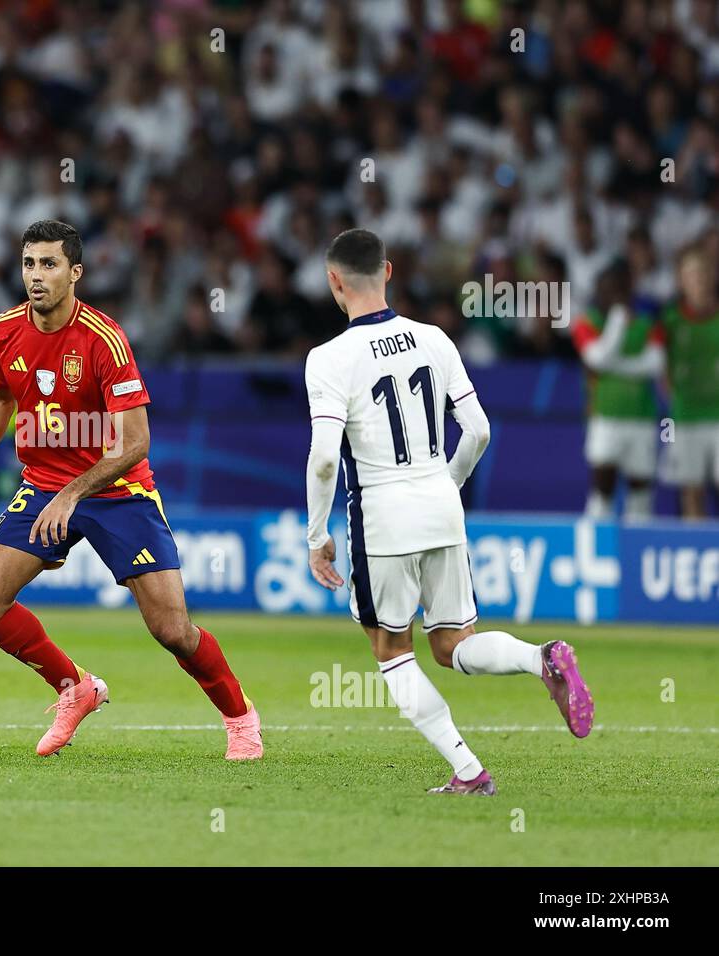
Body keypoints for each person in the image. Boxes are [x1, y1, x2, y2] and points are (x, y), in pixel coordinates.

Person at [0, 220, 262, 760]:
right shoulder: (3, 331)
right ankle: (76, 687)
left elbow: (137, 441)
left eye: (49, 264)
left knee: (171, 630)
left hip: (118, 491)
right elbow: (0, 399)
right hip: (43, 487)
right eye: (28, 263)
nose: (36, 276)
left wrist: (73, 495)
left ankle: (240, 717)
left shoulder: (103, 340)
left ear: (75, 272)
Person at [303, 229, 594, 795]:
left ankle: (469, 770)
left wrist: (317, 536)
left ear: (333, 282)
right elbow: (480, 429)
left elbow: (321, 460)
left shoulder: (329, 358)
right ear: (388, 273)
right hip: (441, 508)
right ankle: (543, 658)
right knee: (453, 645)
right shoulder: (434, 338)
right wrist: (447, 482)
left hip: (382, 520)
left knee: (392, 652)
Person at [572, 263, 665, 521]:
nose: (613, 298)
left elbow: (655, 364)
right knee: (602, 491)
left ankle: (637, 551)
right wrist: (617, 322)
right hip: (604, 417)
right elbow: (598, 358)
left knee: (641, 494)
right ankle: (595, 553)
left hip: (641, 419)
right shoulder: (584, 323)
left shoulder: (649, 324)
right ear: (598, 292)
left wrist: (614, 367)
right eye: (607, 292)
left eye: (619, 292)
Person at [660, 242, 719, 519]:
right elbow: (660, 366)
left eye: (703, 275)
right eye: (691, 276)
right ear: (682, 281)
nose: (698, 282)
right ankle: (695, 546)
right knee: (691, 490)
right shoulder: (670, 320)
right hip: (684, 418)